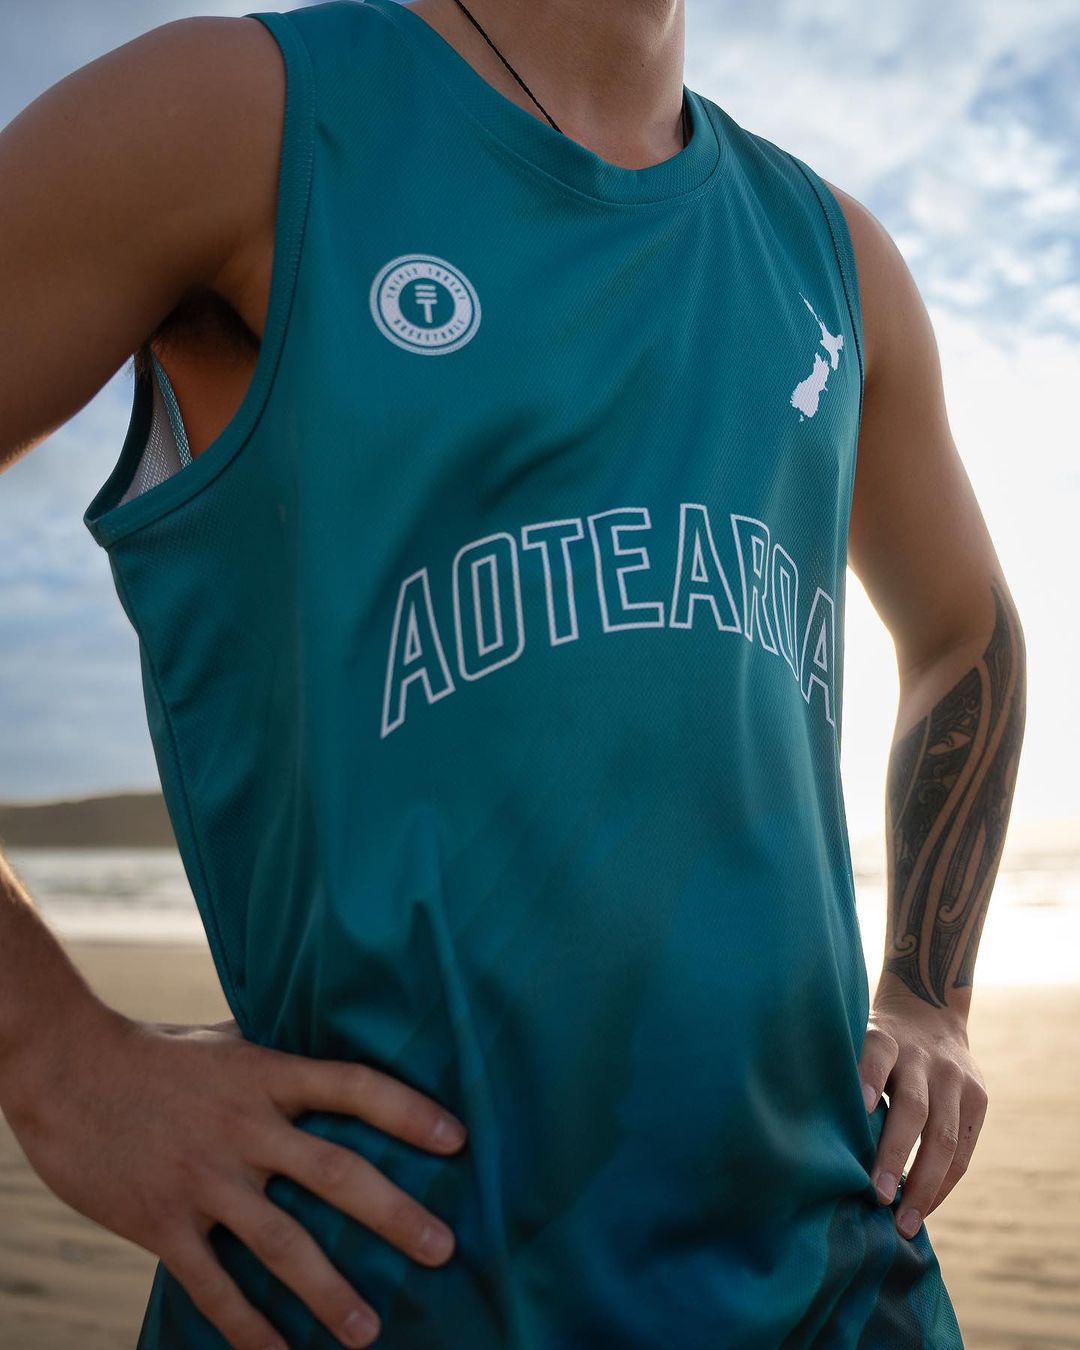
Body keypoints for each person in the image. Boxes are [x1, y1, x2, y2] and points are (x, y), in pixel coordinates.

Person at [0, 0, 1027, 1346]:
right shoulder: (242, 116)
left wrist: (932, 993)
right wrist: (58, 1058)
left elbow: (966, 636)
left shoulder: (834, 259)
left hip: (834, 1284)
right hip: (378, 1282)